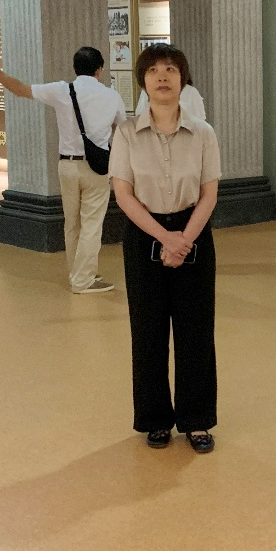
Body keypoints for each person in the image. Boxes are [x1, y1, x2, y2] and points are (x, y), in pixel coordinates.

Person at [111, 44, 220, 453]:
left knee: (196, 330)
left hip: (193, 232)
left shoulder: (203, 133)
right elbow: (123, 195)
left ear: (182, 79)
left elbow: (209, 194)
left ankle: (197, 419)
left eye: (171, 70)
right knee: (148, 330)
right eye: (154, 70)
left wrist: (183, 238)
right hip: (145, 235)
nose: (162, 77)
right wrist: (164, 237)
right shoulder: (126, 133)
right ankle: (155, 418)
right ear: (143, 81)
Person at [0, 47, 127, 294]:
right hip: (96, 168)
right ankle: (83, 280)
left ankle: (77, 273)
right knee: (91, 224)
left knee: (72, 223)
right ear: (100, 70)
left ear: (75, 68)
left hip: (67, 165)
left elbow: (20, 89)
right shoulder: (111, 96)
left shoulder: (62, 90)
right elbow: (123, 129)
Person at [134, 77, 205, 121]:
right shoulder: (148, 91)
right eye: (154, 70)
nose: (162, 76)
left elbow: (200, 121)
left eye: (169, 70)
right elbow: (140, 115)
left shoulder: (190, 91)